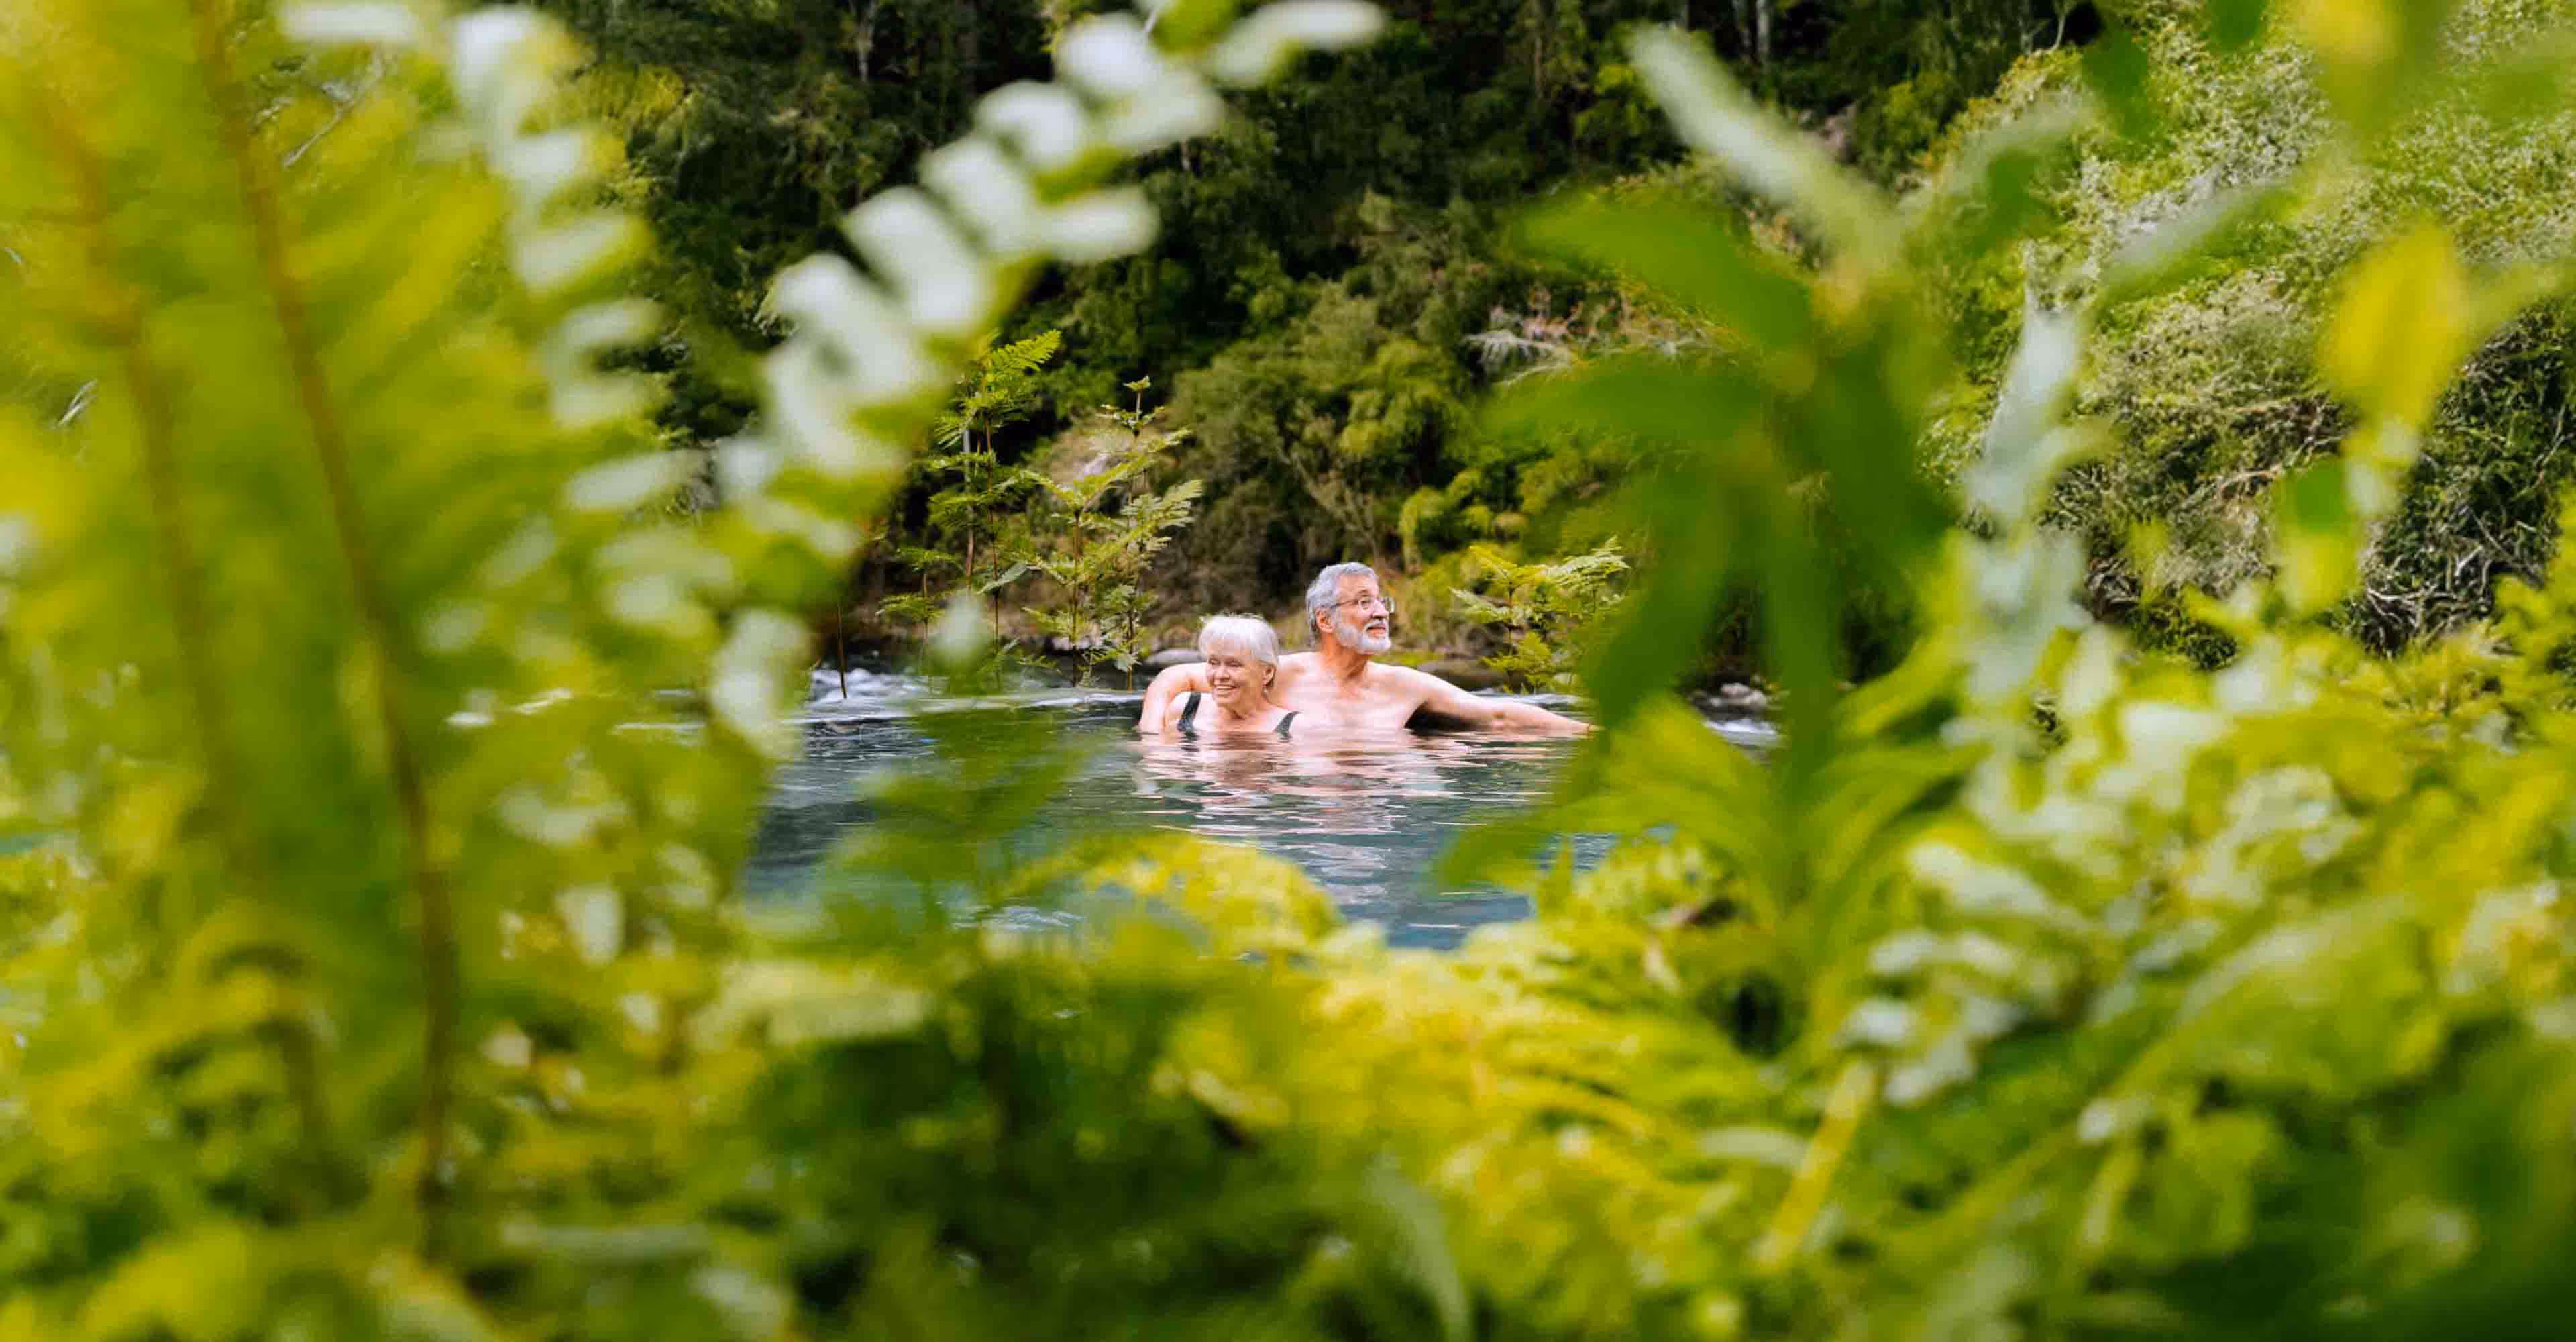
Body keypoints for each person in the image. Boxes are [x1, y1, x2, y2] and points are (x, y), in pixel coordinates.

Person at [1137, 562, 1591, 735]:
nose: (1380, 612)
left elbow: (1498, 715)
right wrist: (1151, 732)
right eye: (1363, 602)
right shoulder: (1280, 673)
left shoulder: (1404, 685)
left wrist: (1584, 733)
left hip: (1378, 807)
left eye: (1381, 601)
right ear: (1325, 620)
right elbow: (1176, 677)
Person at [1143, 614, 1301, 738]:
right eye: (1213, 662)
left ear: (1267, 673)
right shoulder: (1185, 709)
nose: (1219, 675)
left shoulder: (1293, 729)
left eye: (1234, 665)